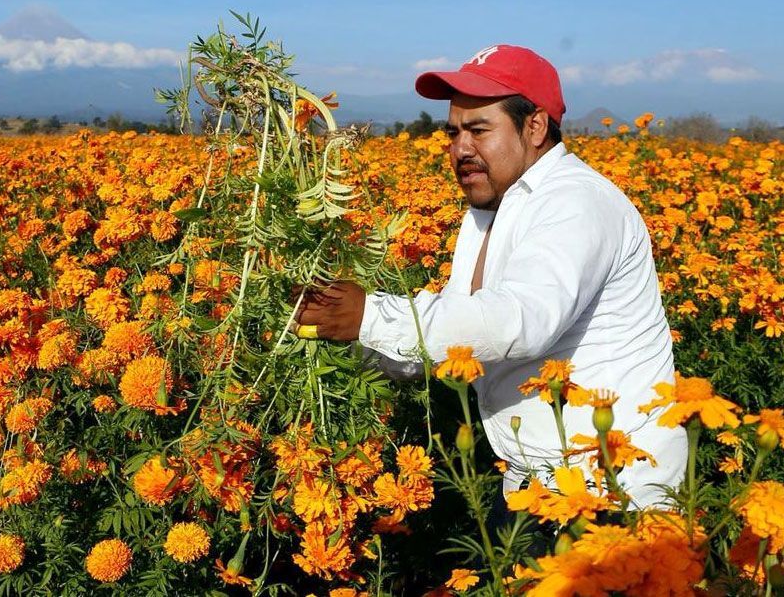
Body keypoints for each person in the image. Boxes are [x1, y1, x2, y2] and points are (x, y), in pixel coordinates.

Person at [293, 44, 685, 508]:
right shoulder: (488, 210)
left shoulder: (576, 202)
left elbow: (516, 322)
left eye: (479, 130)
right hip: (532, 481)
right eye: (453, 132)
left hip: (614, 490)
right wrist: (350, 344)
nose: (460, 148)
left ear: (535, 126)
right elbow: (463, 340)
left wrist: (371, 317)